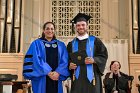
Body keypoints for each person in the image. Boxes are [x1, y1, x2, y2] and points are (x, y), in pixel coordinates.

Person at [23, 22, 69, 93]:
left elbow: (65, 60)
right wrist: (48, 72)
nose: (50, 31)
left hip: (56, 78)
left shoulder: (61, 45)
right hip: (41, 78)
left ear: (54, 31)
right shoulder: (36, 44)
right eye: (47, 29)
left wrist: (58, 72)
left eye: (52, 29)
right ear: (44, 31)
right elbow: (35, 59)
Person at [67, 13, 108, 93]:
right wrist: (69, 65)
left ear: (87, 26)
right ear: (75, 27)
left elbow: (103, 55)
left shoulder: (95, 41)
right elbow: (67, 59)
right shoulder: (71, 44)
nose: (81, 27)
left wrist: (94, 60)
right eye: (78, 25)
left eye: (83, 25)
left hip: (92, 77)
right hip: (77, 78)